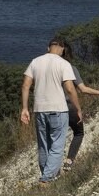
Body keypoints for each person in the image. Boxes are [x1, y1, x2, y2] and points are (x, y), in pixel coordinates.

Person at [20, 37, 82, 183]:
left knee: (44, 145)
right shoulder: (64, 63)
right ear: (62, 49)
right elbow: (70, 88)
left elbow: (25, 86)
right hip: (59, 109)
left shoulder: (35, 61)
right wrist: (78, 108)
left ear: (48, 48)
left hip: (39, 109)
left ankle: (49, 176)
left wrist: (24, 108)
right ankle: (46, 179)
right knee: (57, 145)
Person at [59, 43, 99, 170]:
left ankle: (52, 169)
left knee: (56, 137)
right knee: (78, 133)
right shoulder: (70, 68)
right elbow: (83, 89)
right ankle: (69, 160)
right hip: (69, 107)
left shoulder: (49, 69)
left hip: (51, 108)